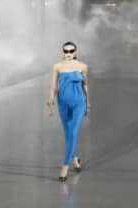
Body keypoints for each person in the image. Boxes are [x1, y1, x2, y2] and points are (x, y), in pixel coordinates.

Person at [46, 41, 89, 182]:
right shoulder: (57, 66)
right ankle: (75, 160)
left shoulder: (83, 66)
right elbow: (53, 86)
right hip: (62, 103)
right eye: (66, 51)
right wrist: (50, 100)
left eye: (71, 51)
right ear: (63, 52)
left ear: (75, 52)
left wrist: (88, 104)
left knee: (73, 131)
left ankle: (65, 167)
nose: (68, 54)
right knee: (68, 133)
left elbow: (86, 86)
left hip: (79, 103)